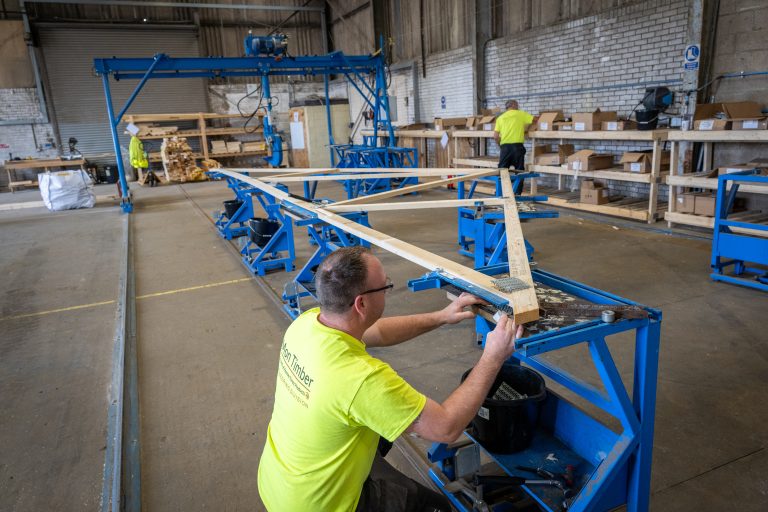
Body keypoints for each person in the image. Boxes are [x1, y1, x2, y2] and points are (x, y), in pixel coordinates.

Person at [258, 246, 524, 512]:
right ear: (361, 304)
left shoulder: (307, 324)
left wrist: (442, 316)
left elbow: (378, 332)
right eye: (385, 286)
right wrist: (493, 356)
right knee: (436, 507)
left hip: (279, 481)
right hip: (318, 504)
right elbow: (446, 428)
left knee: (386, 424)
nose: (387, 290)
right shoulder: (361, 378)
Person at [494, 100, 534, 171]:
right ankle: (518, 178)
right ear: (513, 105)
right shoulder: (521, 114)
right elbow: (535, 120)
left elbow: (496, 136)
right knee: (519, 171)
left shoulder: (500, 118)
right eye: (517, 105)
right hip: (517, 147)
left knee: (502, 171)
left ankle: (504, 179)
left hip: (505, 147)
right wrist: (527, 127)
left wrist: (501, 146)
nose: (518, 107)